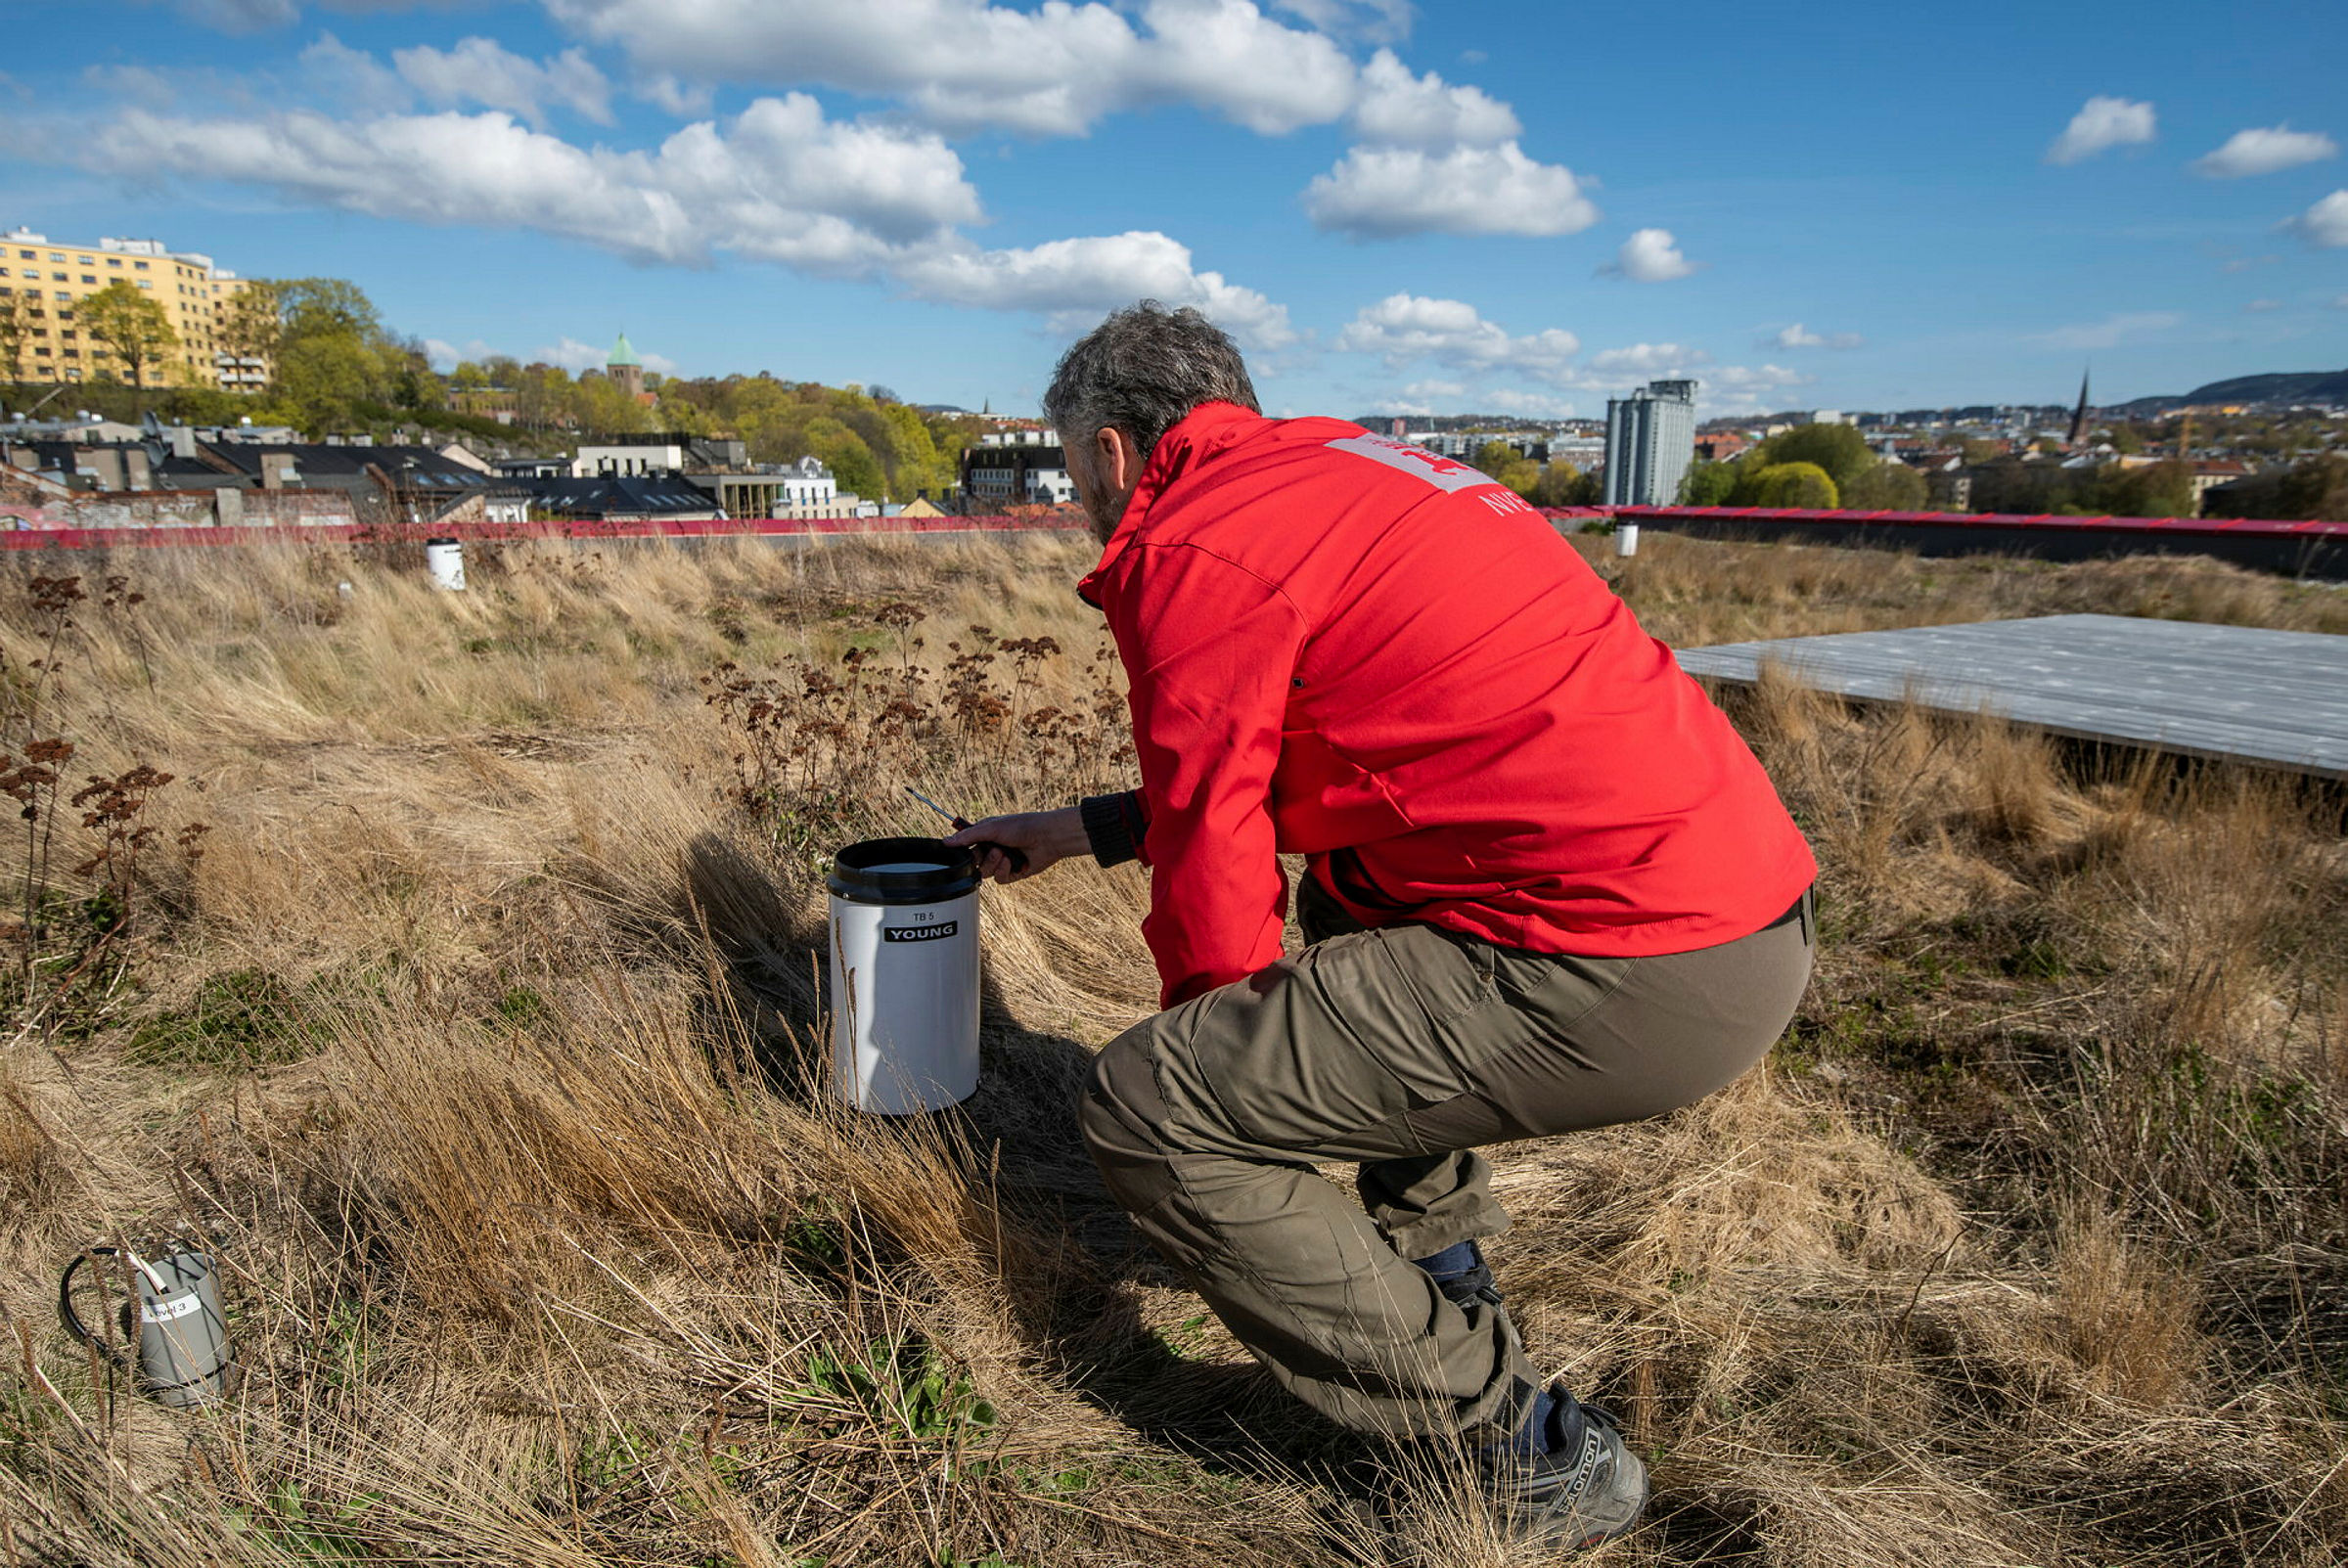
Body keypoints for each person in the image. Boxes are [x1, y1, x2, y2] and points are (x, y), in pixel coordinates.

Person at [948, 301, 1816, 1551]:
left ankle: (1517, 1447)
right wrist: (1079, 826)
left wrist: (1220, 1079)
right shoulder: (1354, 472)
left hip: (1641, 969)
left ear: (1117, 453)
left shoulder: (1194, 541)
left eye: (1077, 470)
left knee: (1153, 1106)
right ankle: (1443, 1281)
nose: (1081, 500)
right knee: (1354, 891)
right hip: (1742, 914)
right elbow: (1324, 761)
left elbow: (1216, 843)